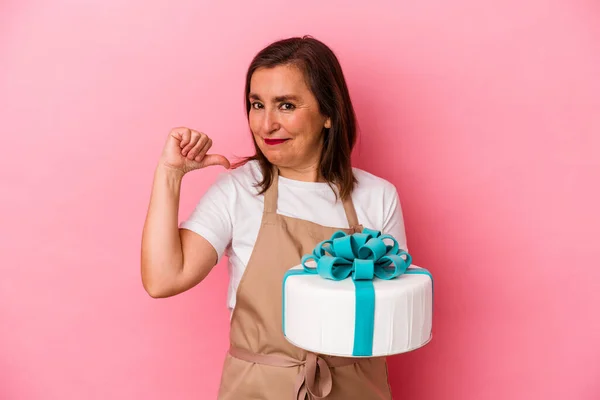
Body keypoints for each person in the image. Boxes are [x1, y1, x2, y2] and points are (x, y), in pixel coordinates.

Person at [141, 35, 408, 399]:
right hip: (258, 390)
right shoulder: (238, 191)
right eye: (256, 104)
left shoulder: (377, 196)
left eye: (286, 105)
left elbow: (393, 314)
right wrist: (169, 174)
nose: (266, 125)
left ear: (329, 113)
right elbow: (163, 279)